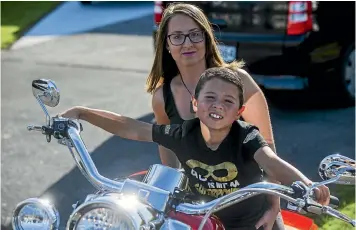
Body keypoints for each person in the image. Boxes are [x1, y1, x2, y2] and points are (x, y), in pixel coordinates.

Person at [59, 67, 330, 230]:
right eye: (209, 97)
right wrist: (83, 113)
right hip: (201, 222)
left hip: (251, 224)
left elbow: (270, 162)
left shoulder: (245, 136)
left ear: (239, 111)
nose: (218, 105)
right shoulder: (182, 133)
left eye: (228, 101)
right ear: (195, 103)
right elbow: (131, 127)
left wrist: (307, 185)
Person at [147, 2, 282, 228]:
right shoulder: (163, 97)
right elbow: (169, 162)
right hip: (199, 214)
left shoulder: (240, 81)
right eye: (177, 36)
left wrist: (273, 206)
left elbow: (268, 147)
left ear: (207, 38)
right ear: (167, 45)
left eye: (194, 34)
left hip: (252, 211)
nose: (187, 43)